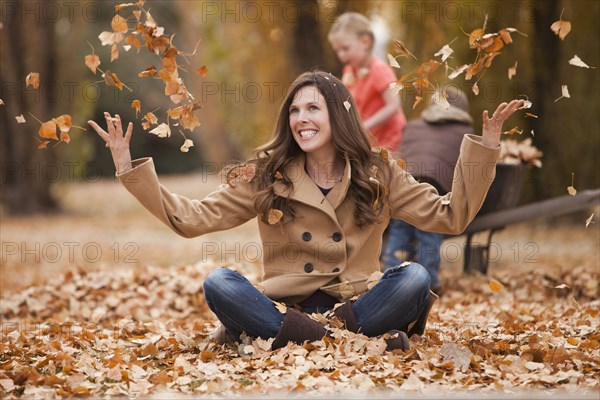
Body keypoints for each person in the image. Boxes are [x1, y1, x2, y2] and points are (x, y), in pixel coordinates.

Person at [88, 71, 523, 352]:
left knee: (414, 277)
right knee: (219, 283)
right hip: (285, 306)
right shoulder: (265, 174)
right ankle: (352, 340)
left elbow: (451, 217)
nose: (301, 118)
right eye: (295, 110)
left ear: (339, 114)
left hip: (356, 302)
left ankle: (306, 337)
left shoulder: (378, 172)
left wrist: (483, 148)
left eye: (313, 107)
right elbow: (193, 219)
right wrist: (129, 170)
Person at [382, 86, 474, 295]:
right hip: (437, 183)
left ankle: (389, 274)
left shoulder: (413, 126)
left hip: (405, 181)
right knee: (429, 230)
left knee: (400, 228)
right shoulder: (464, 132)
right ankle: (429, 281)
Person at [328, 12, 406, 152]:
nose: (341, 55)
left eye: (345, 48)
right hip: (369, 143)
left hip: (391, 142)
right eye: (337, 50)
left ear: (365, 42)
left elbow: (394, 105)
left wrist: (364, 126)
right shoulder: (349, 72)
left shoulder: (379, 70)